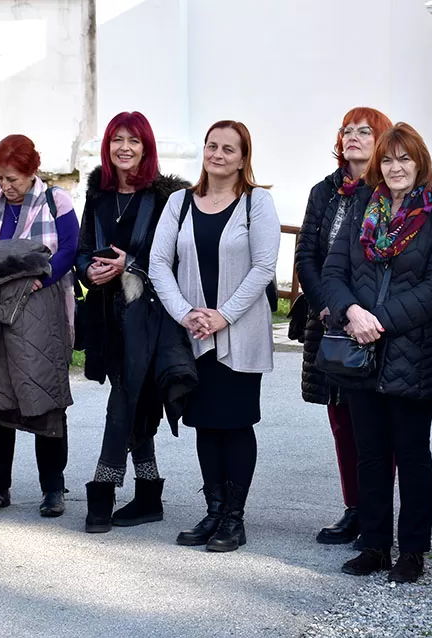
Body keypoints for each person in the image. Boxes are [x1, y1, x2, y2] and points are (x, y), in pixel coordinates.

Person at [322, 122, 432, 583]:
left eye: (404, 159)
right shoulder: (364, 204)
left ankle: (413, 550)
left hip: (410, 350)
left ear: (419, 163)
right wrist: (351, 313)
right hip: (360, 352)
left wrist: (377, 320)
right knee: (371, 454)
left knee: (412, 454)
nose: (395, 167)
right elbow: (334, 269)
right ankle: (375, 545)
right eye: (388, 159)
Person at [150, 120, 280, 553]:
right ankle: (213, 511)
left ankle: (234, 519)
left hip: (240, 333)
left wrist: (223, 315)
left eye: (229, 148)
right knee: (205, 423)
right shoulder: (179, 203)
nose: (218, 154)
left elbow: (264, 267)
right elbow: (158, 265)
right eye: (211, 146)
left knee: (236, 422)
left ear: (243, 157)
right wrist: (186, 314)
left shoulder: (256, 203)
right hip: (195, 335)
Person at [75, 111, 192, 533]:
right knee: (137, 398)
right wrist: (90, 269)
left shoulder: (166, 199)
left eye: (133, 140)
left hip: (151, 315)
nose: (124, 147)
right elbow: (84, 248)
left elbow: (176, 258)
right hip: (109, 315)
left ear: (146, 147)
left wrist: (132, 264)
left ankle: (102, 490)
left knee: (124, 397)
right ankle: (147, 494)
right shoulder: (99, 195)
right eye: (116, 140)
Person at [295, 107, 393, 546]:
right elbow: (307, 257)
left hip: (373, 323)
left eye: (364, 131)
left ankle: (377, 513)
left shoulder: (389, 189)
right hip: (329, 321)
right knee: (340, 419)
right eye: (347, 131)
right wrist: (326, 305)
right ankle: (354, 508)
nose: (352, 137)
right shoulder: (324, 191)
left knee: (374, 424)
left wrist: (357, 312)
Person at [0, 135, 78, 518]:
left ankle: (53, 488)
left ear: (32, 171)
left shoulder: (57, 201)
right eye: (0, 178)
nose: (6, 186)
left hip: (43, 311)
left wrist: (40, 278)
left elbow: (69, 248)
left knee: (45, 399)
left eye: (13, 178)